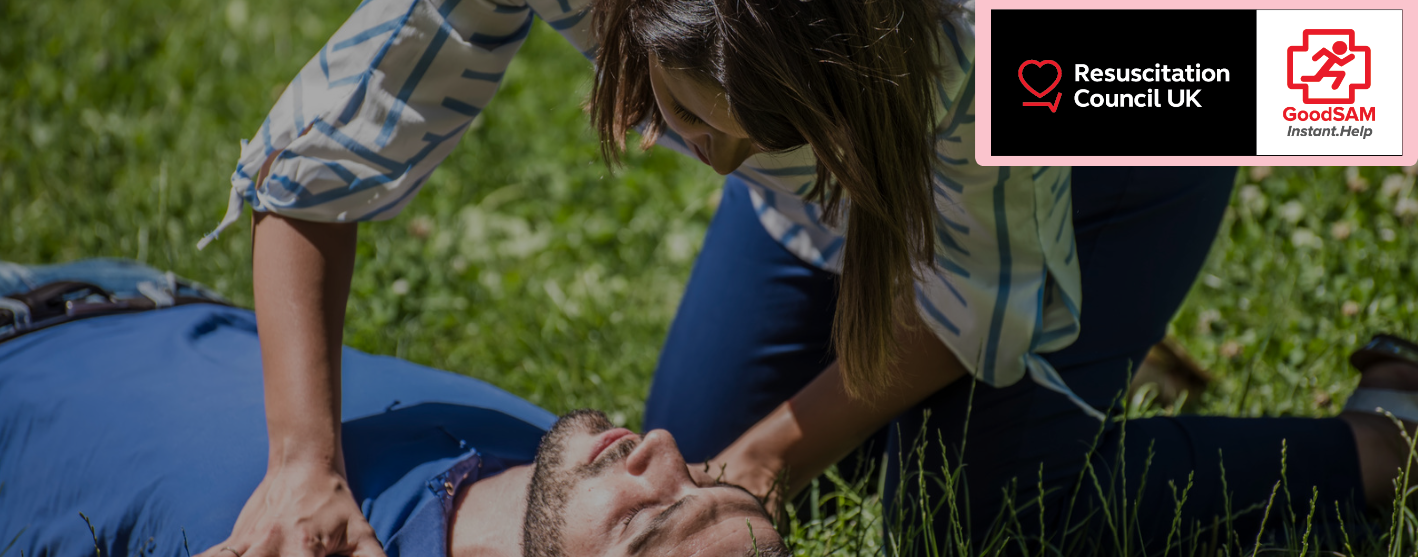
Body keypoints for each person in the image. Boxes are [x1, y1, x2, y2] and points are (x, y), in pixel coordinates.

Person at [195, 0, 1417, 552]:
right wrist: (303, 465)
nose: (709, 156)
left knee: (976, 513)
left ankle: (1385, 436)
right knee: (705, 439)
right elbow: (317, 163)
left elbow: (962, 305)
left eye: (752, 136)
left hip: (1117, 94)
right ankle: (1070, 356)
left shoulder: (964, 46)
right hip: (890, 167)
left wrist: (768, 461)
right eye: (693, 115)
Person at [0, 259, 785, 557]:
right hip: (137, 290)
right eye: (711, 481)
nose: (666, 447)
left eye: (645, 521)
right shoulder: (545, 462)